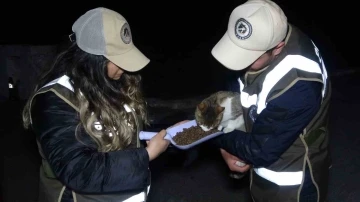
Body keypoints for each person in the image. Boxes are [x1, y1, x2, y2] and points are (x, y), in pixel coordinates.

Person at [22, 7, 178, 202]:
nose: (125, 66)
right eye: (117, 59)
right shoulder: (54, 100)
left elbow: (129, 134)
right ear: (92, 59)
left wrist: (170, 134)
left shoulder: (114, 83)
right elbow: (78, 170)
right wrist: (146, 155)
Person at [209, 0, 331, 201]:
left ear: (277, 48)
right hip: (262, 175)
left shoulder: (298, 86)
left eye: (248, 57)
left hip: (293, 186)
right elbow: (239, 94)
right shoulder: (273, 33)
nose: (239, 65)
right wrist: (223, 142)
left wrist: (213, 131)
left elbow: (259, 150)